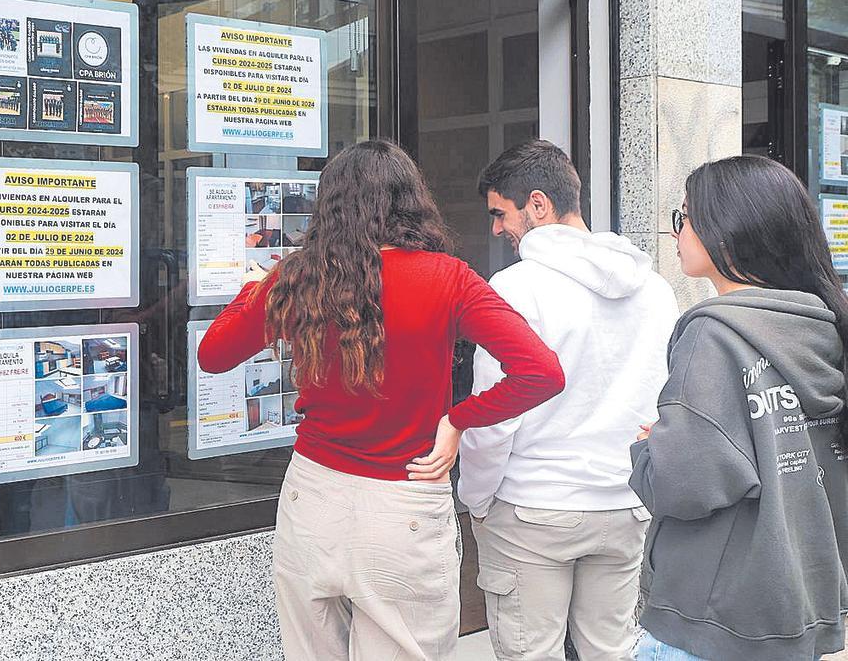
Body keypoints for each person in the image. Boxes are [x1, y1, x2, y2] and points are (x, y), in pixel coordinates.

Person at [197, 140, 567, 661]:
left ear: (330, 206)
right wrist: (460, 420)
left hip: (312, 498)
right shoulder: (449, 278)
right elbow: (542, 372)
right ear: (411, 201)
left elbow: (213, 354)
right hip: (404, 505)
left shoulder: (300, 277)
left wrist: (255, 288)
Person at [456, 140, 679, 660]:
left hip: (534, 506)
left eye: (499, 214)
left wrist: (477, 498)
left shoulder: (515, 288)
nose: (495, 230)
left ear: (538, 204)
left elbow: (494, 415)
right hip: (625, 502)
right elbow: (668, 396)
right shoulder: (653, 288)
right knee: (611, 651)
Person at [630, 155, 848, 661]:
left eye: (683, 217)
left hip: (714, 619)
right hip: (797, 608)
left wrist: (647, 450)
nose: (677, 231)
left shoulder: (715, 333)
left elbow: (681, 484)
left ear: (726, 232)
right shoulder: (822, 324)